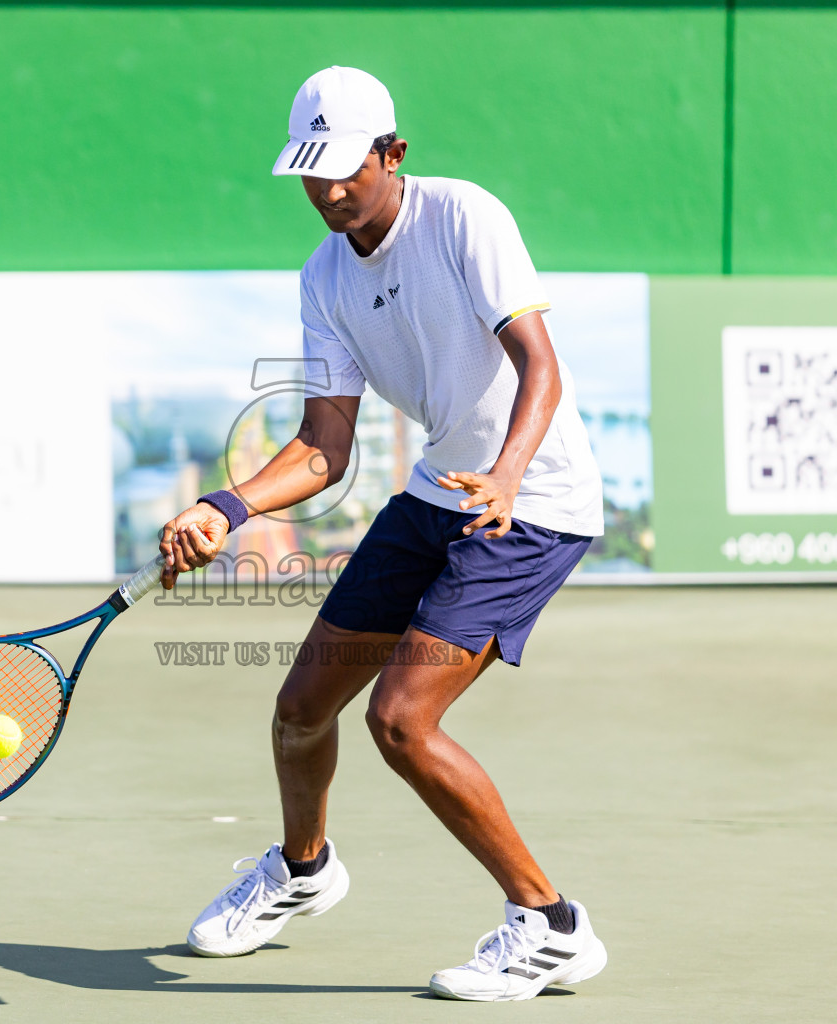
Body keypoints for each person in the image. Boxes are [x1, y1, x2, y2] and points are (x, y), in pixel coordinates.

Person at [157, 66, 607, 1002]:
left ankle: (551, 925)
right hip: (439, 492)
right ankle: (304, 868)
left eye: (342, 169)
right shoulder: (322, 278)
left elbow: (540, 368)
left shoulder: (461, 216)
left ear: (392, 154)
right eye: (308, 172)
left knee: (400, 721)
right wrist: (226, 508)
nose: (325, 191)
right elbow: (324, 447)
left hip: (533, 504)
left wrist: (511, 474)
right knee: (299, 711)